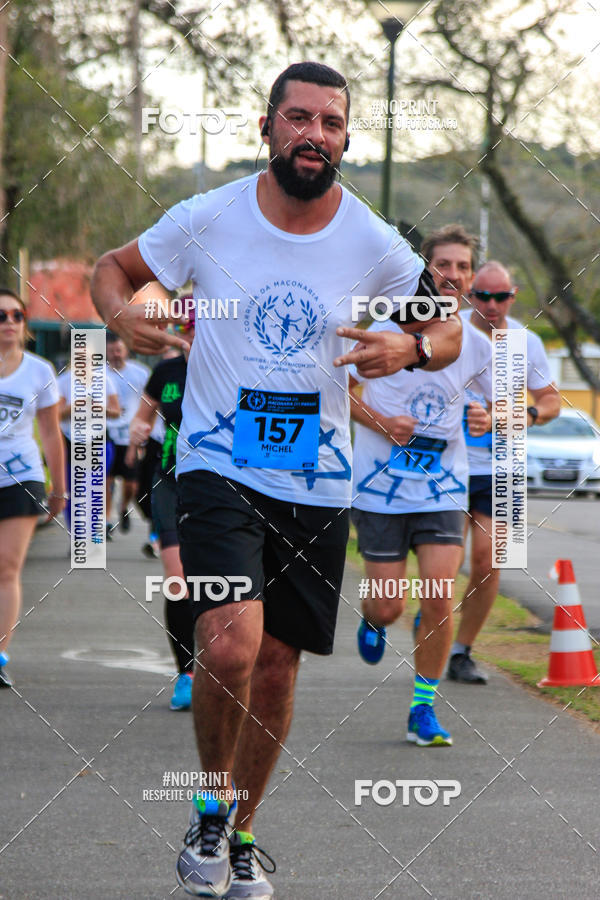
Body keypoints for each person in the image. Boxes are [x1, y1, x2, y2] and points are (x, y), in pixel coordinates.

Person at [91, 61, 462, 898]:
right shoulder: (210, 215)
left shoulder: (370, 239)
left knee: (279, 670)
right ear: (267, 128)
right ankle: (210, 809)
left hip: (319, 482)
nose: (314, 135)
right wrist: (124, 315)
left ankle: (243, 831)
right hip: (219, 463)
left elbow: (445, 331)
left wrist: (408, 345)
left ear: (345, 139)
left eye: (331, 124)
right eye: (299, 119)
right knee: (229, 641)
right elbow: (109, 269)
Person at [350, 316, 493, 746]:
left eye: (462, 266)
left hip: (443, 491)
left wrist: (488, 414)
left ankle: (422, 709)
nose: (453, 274)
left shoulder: (476, 343)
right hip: (379, 493)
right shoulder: (378, 329)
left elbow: (504, 400)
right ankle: (372, 617)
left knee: (437, 596)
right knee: (389, 608)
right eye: (443, 265)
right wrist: (380, 423)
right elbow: (334, 391)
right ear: (425, 274)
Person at [450, 260, 560, 682]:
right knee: (440, 564)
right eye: (482, 295)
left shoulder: (526, 342)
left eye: (501, 297)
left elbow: (550, 400)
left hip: (502, 467)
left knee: (489, 560)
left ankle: (461, 652)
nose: (491, 304)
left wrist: (526, 413)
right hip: (447, 463)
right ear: (470, 294)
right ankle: (430, 628)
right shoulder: (450, 329)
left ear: (513, 297)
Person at [127, 313, 196, 710]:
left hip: (222, 484)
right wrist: (138, 429)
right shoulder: (166, 371)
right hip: (170, 478)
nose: (191, 332)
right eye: (186, 325)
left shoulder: (232, 368)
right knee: (178, 580)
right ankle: (186, 673)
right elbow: (144, 414)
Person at [0, 288, 65, 688]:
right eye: (0, 316)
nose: (8, 323)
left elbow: (51, 432)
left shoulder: (39, 371)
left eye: (16, 316)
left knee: (7, 567)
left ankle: (0, 652)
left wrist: (60, 487)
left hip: (21, 476)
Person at [57, 358, 120, 534]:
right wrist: (75, 406)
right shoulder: (63, 381)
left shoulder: (104, 380)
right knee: (72, 491)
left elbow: (116, 412)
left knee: (94, 489)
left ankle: (92, 534)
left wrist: (102, 410)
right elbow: (55, 415)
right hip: (72, 440)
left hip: (98, 440)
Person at [105, 332, 149, 538]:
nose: (116, 355)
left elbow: (151, 403)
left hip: (131, 437)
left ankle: (123, 507)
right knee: (105, 479)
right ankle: (105, 521)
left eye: (119, 350)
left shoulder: (140, 374)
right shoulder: (99, 374)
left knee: (132, 485)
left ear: (126, 350)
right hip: (106, 434)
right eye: (111, 351)